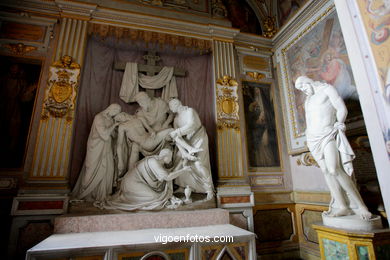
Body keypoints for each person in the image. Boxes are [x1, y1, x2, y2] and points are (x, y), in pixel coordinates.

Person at [295, 76, 372, 220]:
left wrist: (340, 122)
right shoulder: (308, 100)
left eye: (303, 86)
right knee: (325, 171)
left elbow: (341, 108)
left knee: (334, 169)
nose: (303, 90)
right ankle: (343, 206)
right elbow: (310, 119)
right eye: (300, 89)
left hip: (328, 133)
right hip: (313, 138)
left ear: (308, 81)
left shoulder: (327, 89)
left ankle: (361, 206)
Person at [103, 148, 189, 211]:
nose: (170, 160)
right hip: (131, 184)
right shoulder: (154, 162)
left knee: (156, 195)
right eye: (170, 157)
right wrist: (183, 170)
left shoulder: (158, 162)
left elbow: (167, 174)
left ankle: (128, 197)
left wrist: (181, 164)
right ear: (165, 156)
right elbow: (167, 177)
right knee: (154, 197)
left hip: (140, 182)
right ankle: (125, 197)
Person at [71, 103, 121, 203]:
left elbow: (113, 135)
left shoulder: (111, 119)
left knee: (108, 169)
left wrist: (118, 130)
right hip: (96, 148)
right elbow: (104, 134)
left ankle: (102, 194)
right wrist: (114, 125)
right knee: (92, 170)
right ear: (111, 108)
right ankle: (87, 193)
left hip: (107, 148)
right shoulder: (99, 117)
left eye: (117, 113)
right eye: (116, 111)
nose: (116, 114)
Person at [168, 98, 214, 203]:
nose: (170, 109)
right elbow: (177, 137)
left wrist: (177, 132)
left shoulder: (189, 111)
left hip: (199, 137)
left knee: (199, 164)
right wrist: (183, 149)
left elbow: (192, 125)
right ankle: (183, 186)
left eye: (171, 106)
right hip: (187, 142)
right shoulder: (176, 119)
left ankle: (208, 189)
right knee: (179, 161)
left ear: (176, 104)